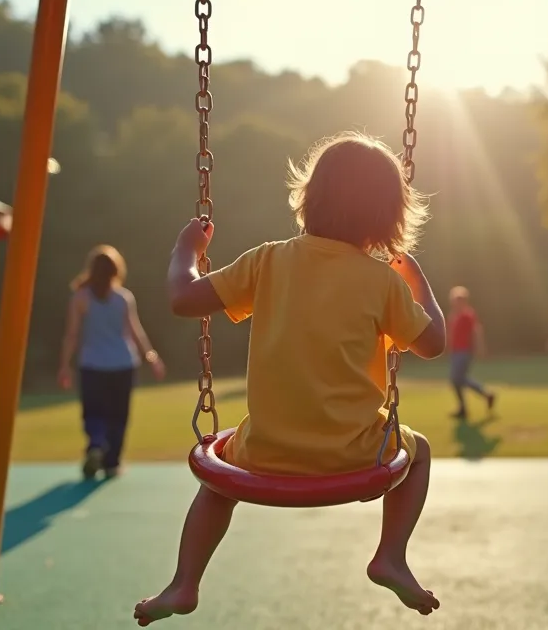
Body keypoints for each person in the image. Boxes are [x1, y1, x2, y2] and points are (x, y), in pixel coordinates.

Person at [135, 132, 447, 625]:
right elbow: (434, 343)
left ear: (308, 198)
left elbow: (182, 299)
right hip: (356, 454)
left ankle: (184, 582)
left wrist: (185, 251)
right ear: (389, 218)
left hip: (264, 453)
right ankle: (391, 555)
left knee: (218, 481)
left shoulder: (268, 260)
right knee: (419, 450)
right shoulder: (382, 281)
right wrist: (419, 285)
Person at [58, 245, 165, 481]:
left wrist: (65, 365)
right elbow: (135, 331)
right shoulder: (123, 298)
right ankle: (111, 462)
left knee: (93, 411)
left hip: (92, 364)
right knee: (119, 415)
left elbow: (72, 334)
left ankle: (96, 443)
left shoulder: (80, 297)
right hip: (122, 364)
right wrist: (152, 357)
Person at [446, 286, 495, 418]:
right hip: (456, 351)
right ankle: (484, 397)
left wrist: (480, 347)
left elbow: (476, 331)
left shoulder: (468, 314)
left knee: (457, 378)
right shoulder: (454, 315)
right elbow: (451, 333)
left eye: (458, 299)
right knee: (459, 379)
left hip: (465, 351)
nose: (455, 302)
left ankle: (468, 406)